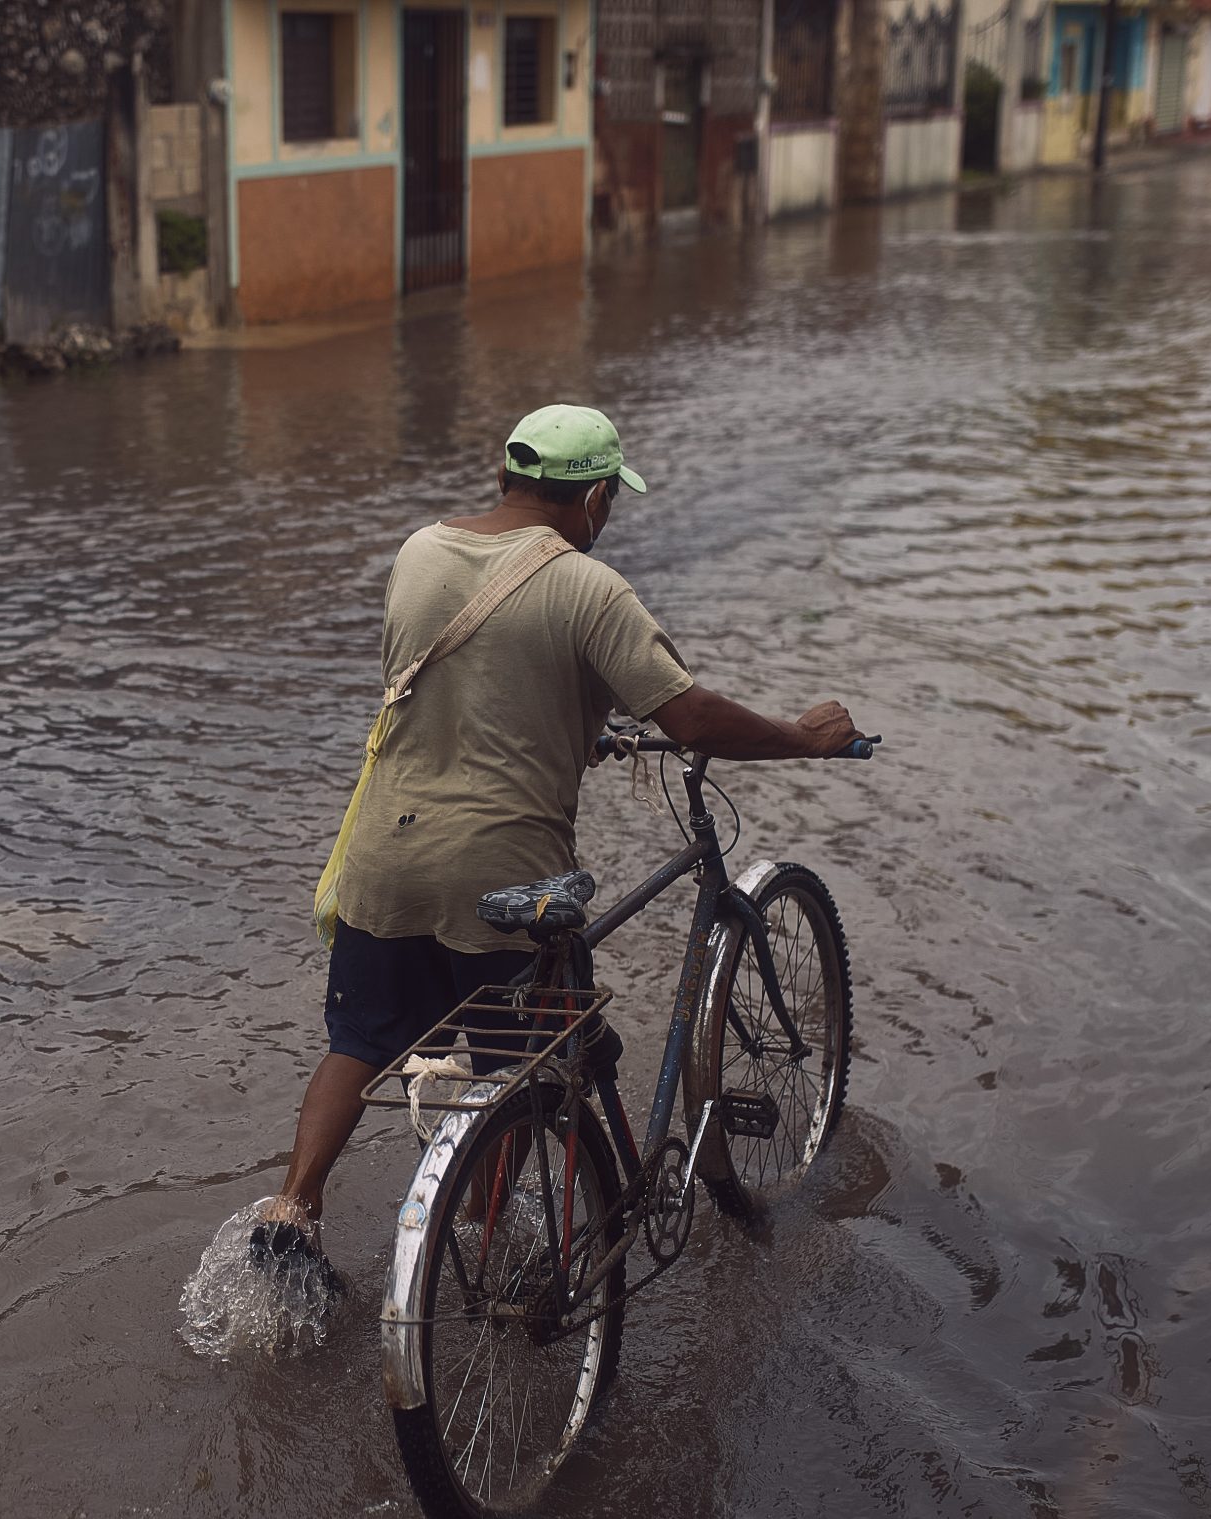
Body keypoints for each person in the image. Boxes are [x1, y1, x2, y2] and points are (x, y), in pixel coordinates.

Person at [250, 404, 863, 1291]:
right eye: (609, 503)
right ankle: (481, 1250)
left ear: (506, 478)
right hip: (497, 871)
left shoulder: (420, 552)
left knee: (358, 1041)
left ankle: (292, 1216)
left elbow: (473, 681)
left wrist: (582, 725)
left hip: (382, 854)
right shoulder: (589, 587)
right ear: (596, 499)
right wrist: (803, 738)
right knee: (522, 1066)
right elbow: (686, 713)